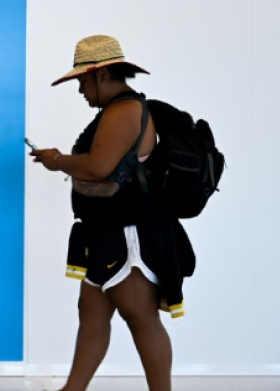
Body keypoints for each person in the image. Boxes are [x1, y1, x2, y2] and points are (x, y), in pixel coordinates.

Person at [30, 35, 194, 391]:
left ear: (102, 75)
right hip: (106, 231)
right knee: (92, 314)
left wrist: (56, 160)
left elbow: (98, 166)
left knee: (141, 318)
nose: (80, 90)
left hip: (129, 234)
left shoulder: (125, 110)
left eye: (82, 81)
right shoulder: (118, 110)